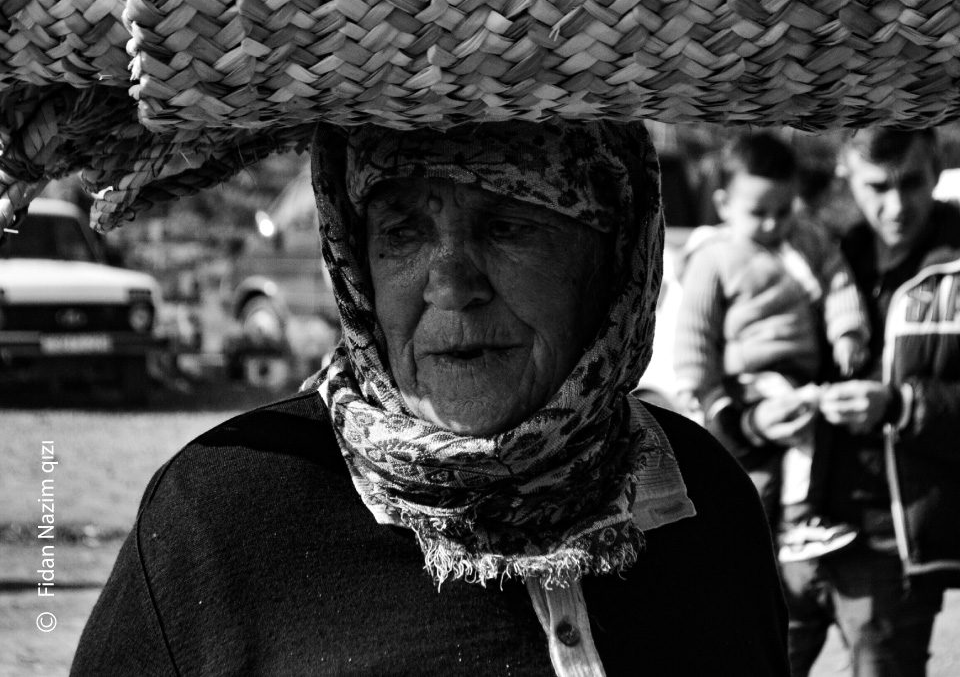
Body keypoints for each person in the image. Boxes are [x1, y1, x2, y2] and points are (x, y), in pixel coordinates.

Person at [70, 120, 787, 676]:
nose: (449, 285)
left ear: (615, 259)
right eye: (403, 232)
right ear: (355, 261)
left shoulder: (702, 496)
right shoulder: (223, 515)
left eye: (508, 226)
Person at [767, 127, 960, 677]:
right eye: (878, 187)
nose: (896, 205)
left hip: (892, 542)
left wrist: (898, 404)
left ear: (939, 163)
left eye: (912, 183)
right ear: (847, 172)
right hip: (792, 528)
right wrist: (760, 412)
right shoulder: (819, 251)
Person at [673, 131, 869, 562]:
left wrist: (848, 331)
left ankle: (776, 528)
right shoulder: (715, 256)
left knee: (784, 455)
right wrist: (696, 385)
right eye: (758, 212)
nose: (772, 223)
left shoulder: (808, 239)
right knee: (803, 430)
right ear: (724, 205)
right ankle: (797, 520)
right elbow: (696, 331)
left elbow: (839, 283)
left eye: (784, 210)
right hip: (750, 377)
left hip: (799, 371)